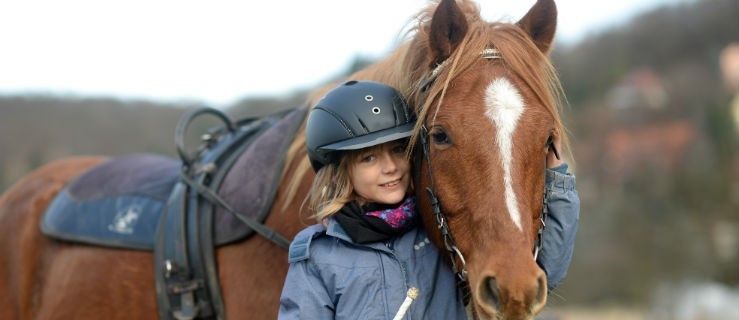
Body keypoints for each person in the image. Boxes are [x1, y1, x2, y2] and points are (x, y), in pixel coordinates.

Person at [278, 80, 579, 319]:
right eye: (368, 158)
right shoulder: (318, 257)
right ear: (342, 173)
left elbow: (545, 268)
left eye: (398, 150)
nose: (390, 167)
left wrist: (557, 178)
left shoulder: (437, 237)